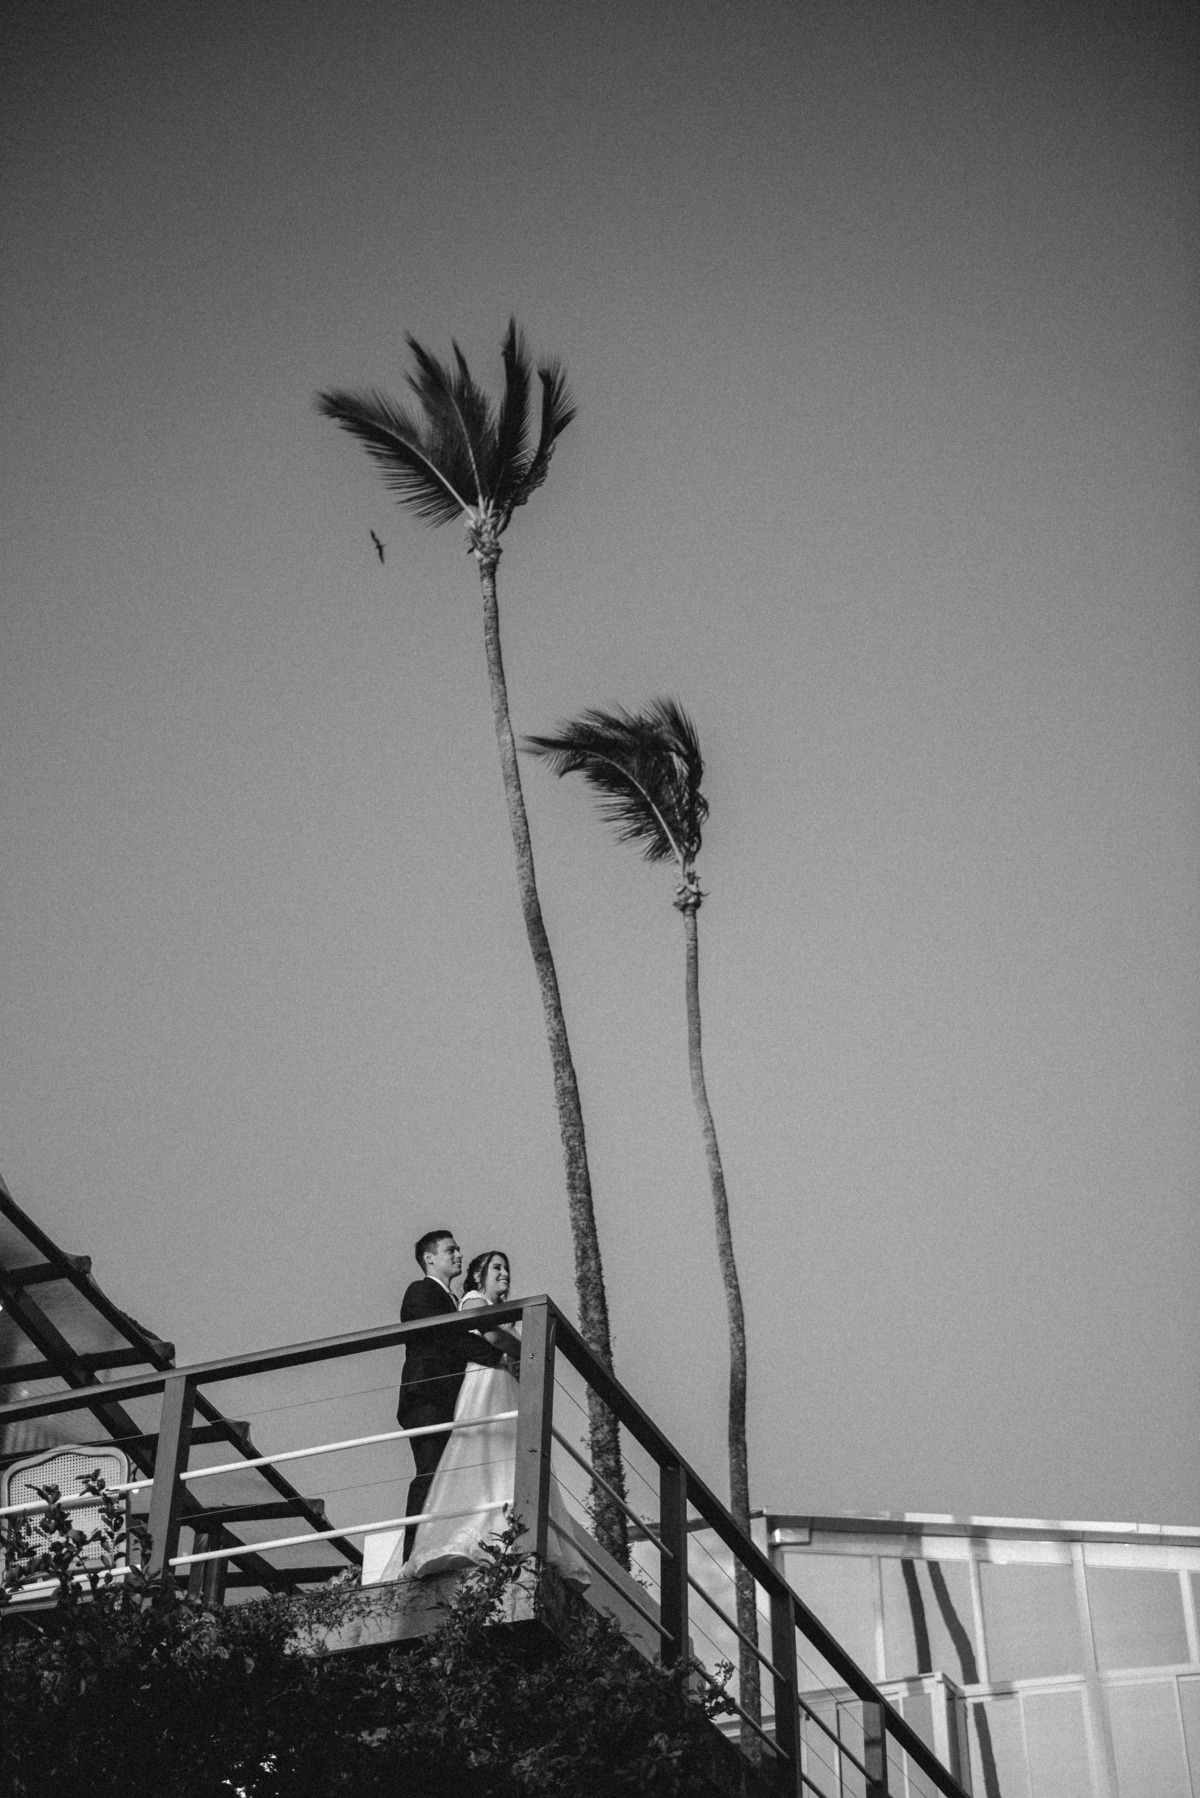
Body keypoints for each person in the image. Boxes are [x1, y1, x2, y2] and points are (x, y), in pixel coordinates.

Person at [385, 1250, 589, 1588]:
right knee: (478, 1456)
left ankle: (508, 1532)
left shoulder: (501, 1313)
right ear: (479, 1274)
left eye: (507, 1268)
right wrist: (528, 1348)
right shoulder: (472, 1300)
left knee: (507, 1461)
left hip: (504, 1386)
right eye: (497, 1267)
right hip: (484, 1384)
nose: (505, 1273)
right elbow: (491, 1337)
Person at [397, 1229, 482, 1562]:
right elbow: (445, 1333)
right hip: (427, 1395)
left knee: (447, 1474)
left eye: (459, 1249)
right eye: (450, 1250)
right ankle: (412, 1553)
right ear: (429, 1258)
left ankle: (438, 1545)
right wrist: (495, 1355)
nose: (458, 1254)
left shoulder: (451, 1299)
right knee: (430, 1471)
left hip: (449, 1397)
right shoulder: (420, 1291)